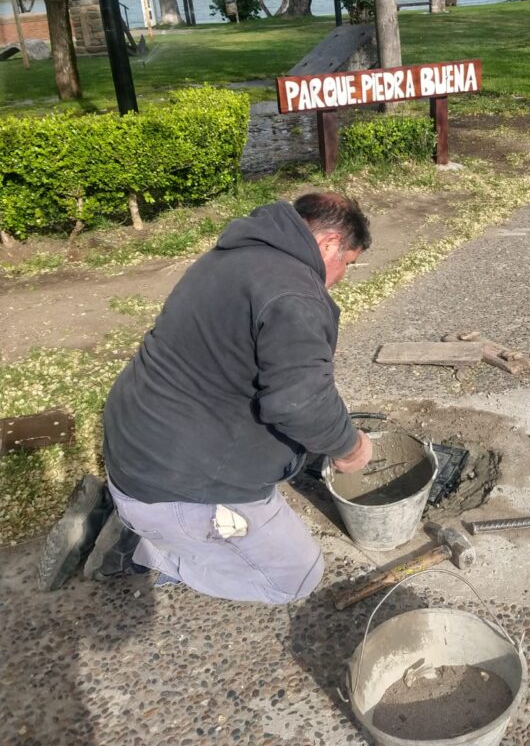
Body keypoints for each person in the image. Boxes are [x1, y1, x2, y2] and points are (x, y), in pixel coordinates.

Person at [39, 192, 373, 602]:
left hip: (136, 449)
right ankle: (143, 551)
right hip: (172, 482)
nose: (339, 278)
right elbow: (301, 402)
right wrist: (349, 446)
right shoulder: (294, 292)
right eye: (347, 265)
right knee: (296, 578)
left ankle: (138, 520)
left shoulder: (236, 254)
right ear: (329, 245)